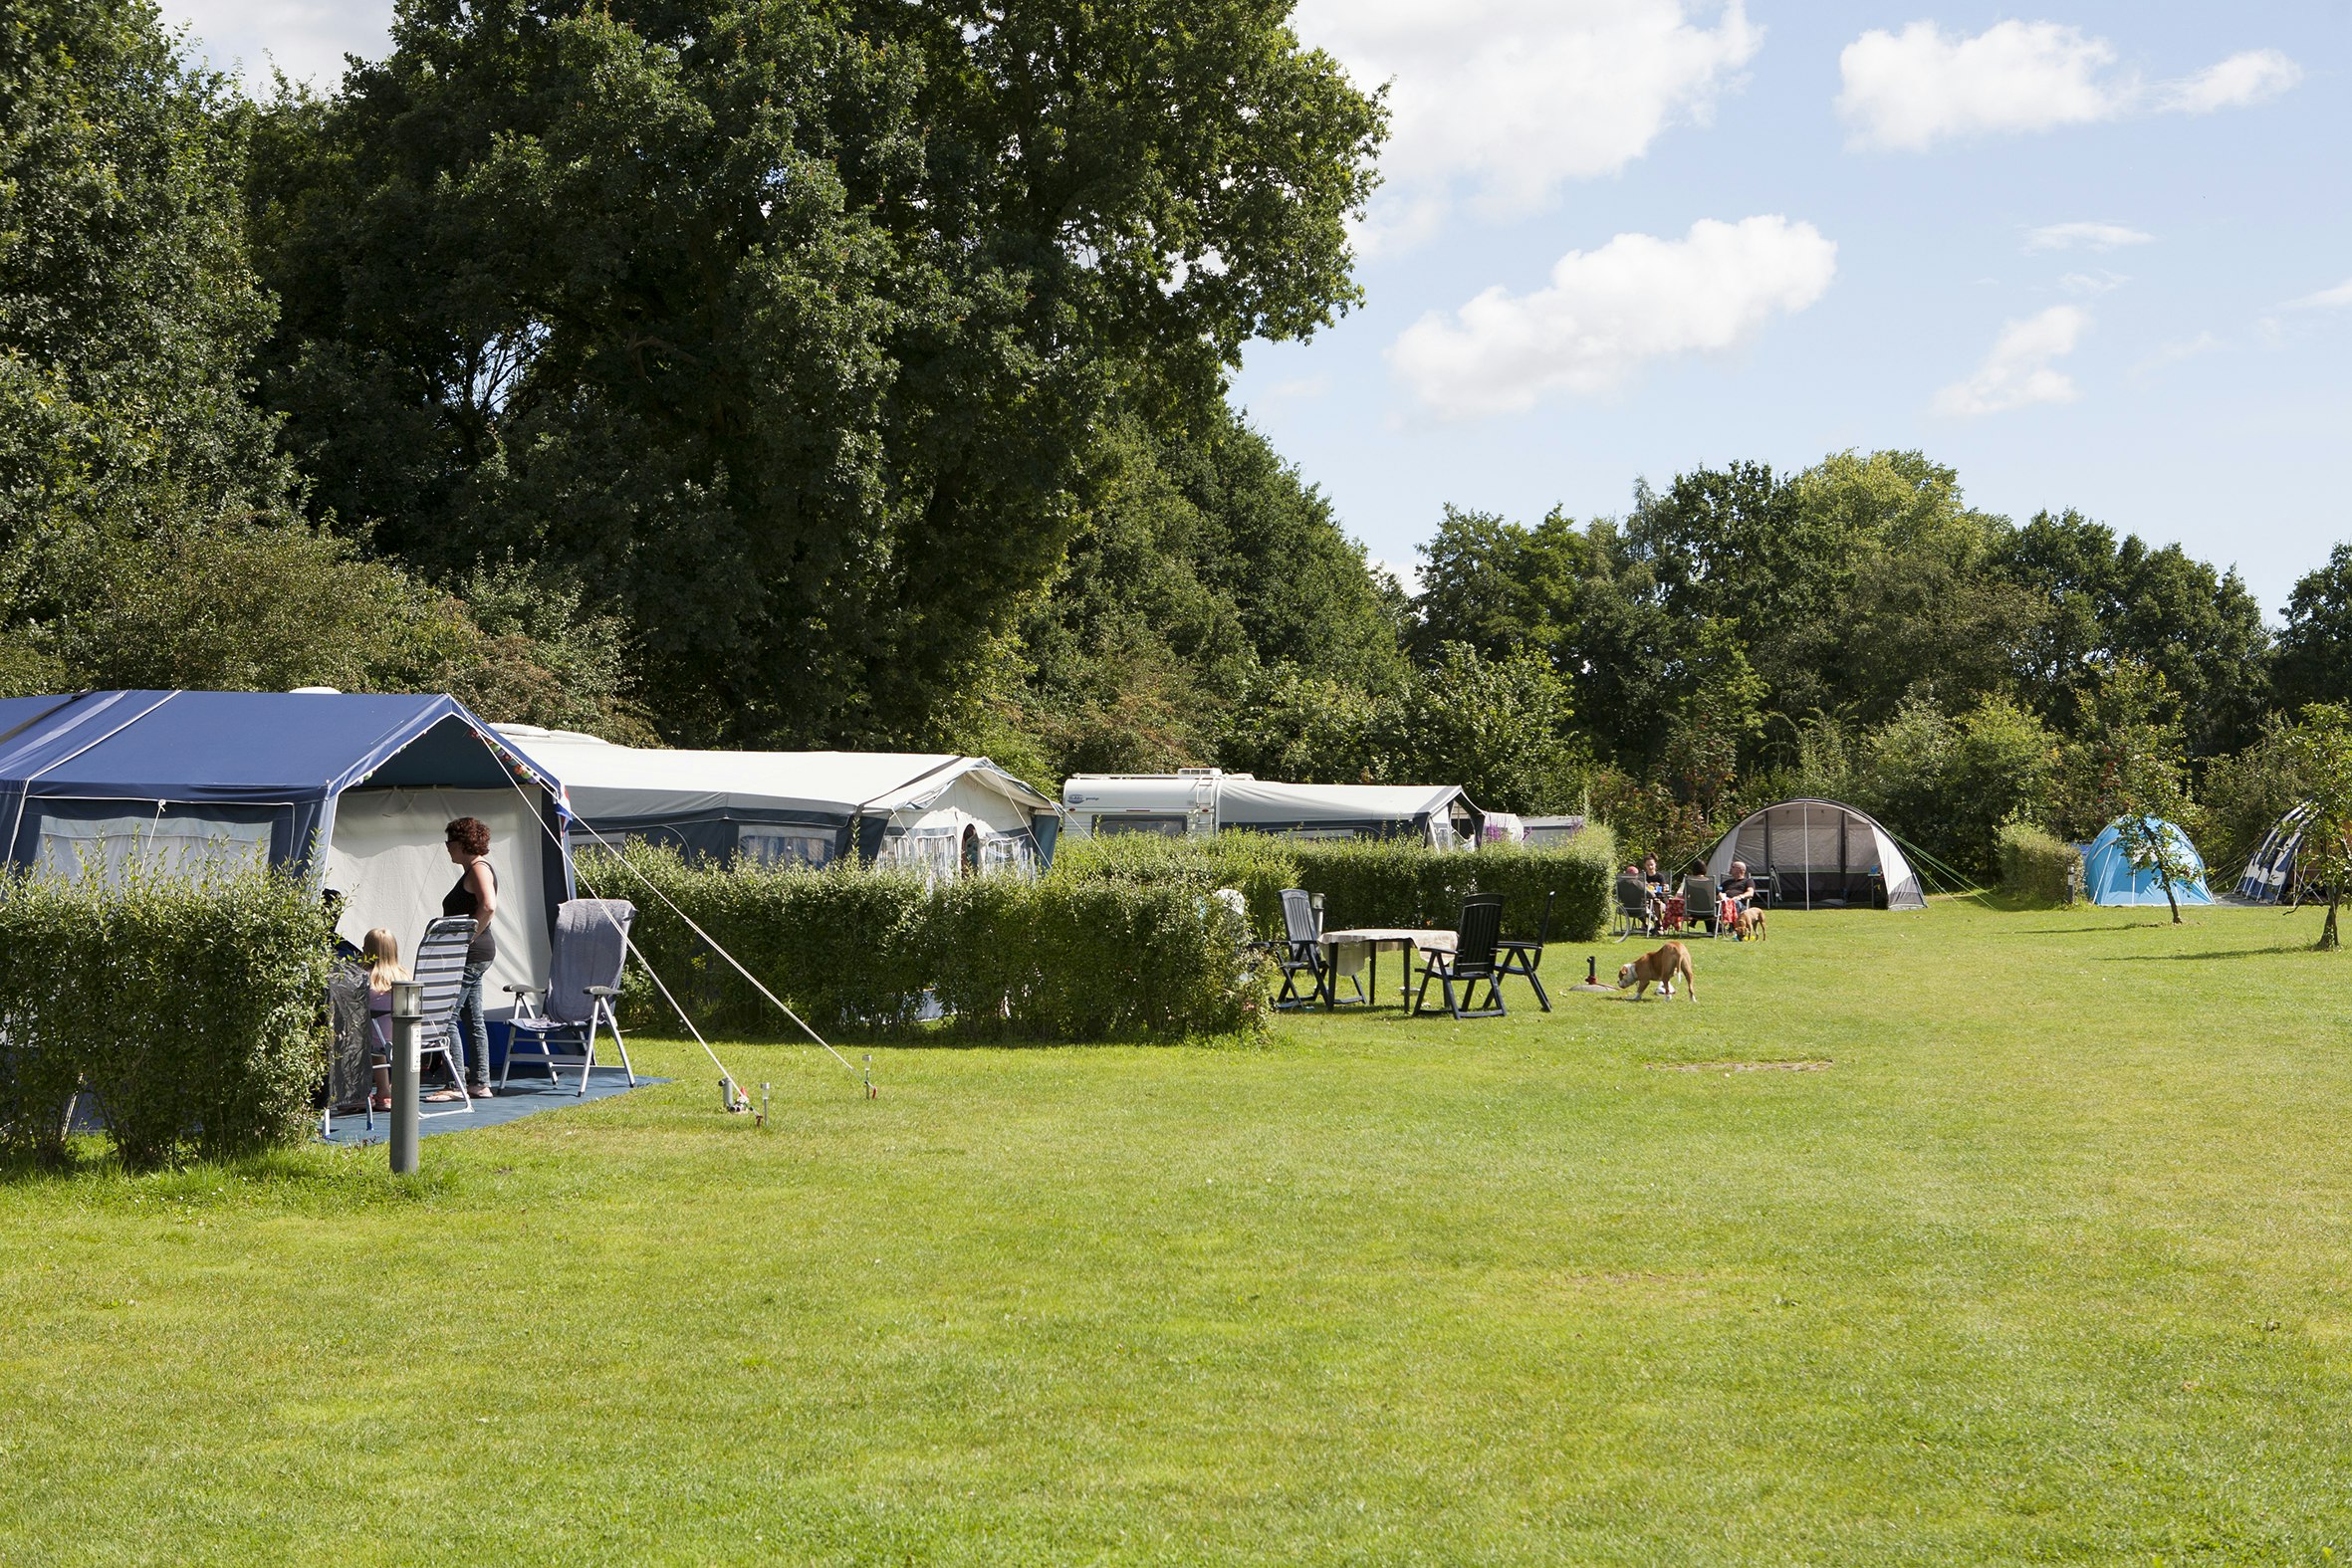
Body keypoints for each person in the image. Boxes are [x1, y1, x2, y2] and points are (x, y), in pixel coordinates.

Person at [442, 816, 499, 1098]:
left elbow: (488, 906)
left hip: (471, 954)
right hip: (475, 953)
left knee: (447, 1017)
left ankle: (455, 1085)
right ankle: (480, 1083)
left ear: (462, 843)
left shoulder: (478, 868)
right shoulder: (474, 869)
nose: (447, 848)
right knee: (472, 1018)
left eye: (449, 842)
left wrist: (467, 937)